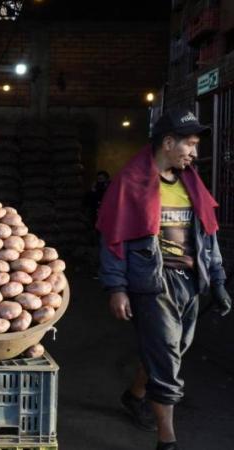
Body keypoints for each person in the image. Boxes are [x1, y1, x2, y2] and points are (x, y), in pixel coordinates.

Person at [96, 109, 231, 450]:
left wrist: (217, 279)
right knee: (167, 359)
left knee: (169, 351)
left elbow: (208, 235)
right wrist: (117, 287)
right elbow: (113, 238)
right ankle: (167, 441)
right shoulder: (131, 182)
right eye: (190, 144)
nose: (194, 153)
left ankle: (134, 395)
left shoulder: (191, 182)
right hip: (153, 284)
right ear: (168, 143)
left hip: (191, 281)